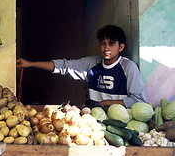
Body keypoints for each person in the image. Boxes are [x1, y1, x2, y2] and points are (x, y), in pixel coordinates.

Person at [16, 25, 146, 109]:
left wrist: (104, 103)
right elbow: (65, 66)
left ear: (121, 47)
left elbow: (138, 100)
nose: (106, 48)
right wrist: (30, 64)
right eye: (103, 43)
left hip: (120, 124)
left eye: (111, 43)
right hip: (94, 121)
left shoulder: (128, 67)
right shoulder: (92, 63)